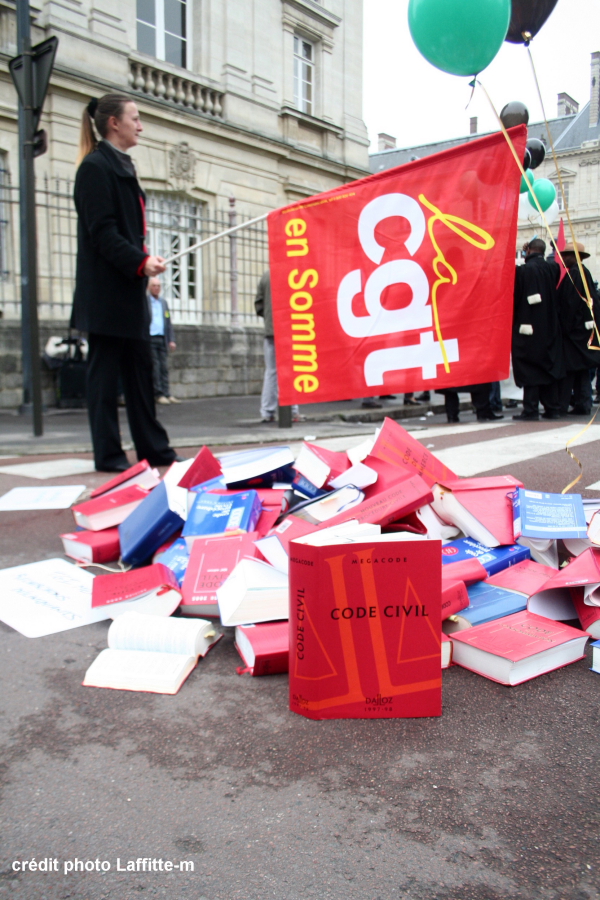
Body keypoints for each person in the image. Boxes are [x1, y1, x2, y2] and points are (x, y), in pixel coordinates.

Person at [71, 94, 182, 472]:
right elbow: (101, 233)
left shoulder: (121, 165)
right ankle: (109, 454)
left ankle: (155, 450)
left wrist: (143, 262)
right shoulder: (94, 167)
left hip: (127, 289)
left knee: (140, 375)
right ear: (113, 123)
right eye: (135, 118)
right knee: (103, 380)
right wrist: (141, 261)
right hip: (105, 293)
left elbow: (128, 231)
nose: (141, 125)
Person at [511, 239, 564, 421]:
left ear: (528, 250)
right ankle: (552, 408)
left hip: (529, 327)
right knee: (548, 365)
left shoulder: (523, 271)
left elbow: (515, 297)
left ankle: (531, 409)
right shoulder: (553, 269)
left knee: (529, 367)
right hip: (550, 326)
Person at [557, 242, 600, 415]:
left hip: (574, 333)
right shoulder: (583, 273)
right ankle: (583, 403)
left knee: (570, 370)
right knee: (581, 370)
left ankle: (563, 404)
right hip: (583, 332)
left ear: (575, 256)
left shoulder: (575, 274)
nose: (563, 258)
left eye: (567, 255)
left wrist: (565, 327)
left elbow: (571, 304)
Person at [255, 270, 302, 423]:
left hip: (271, 330)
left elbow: (258, 304)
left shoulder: (266, 276)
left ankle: (267, 411)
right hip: (290, 330)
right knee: (291, 372)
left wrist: (269, 317)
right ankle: (293, 410)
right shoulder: (293, 274)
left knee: (271, 372)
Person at [147, 276, 180, 405]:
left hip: (162, 338)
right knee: (155, 367)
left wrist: (171, 340)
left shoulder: (163, 303)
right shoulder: (145, 301)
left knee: (164, 367)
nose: (156, 288)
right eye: (154, 285)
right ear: (149, 287)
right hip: (150, 338)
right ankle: (158, 393)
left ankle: (167, 392)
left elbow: (168, 322)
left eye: (158, 286)